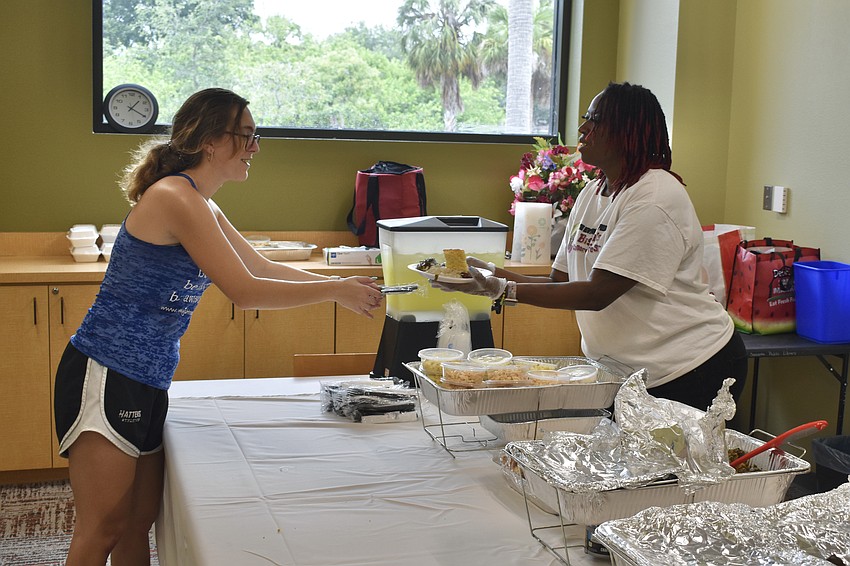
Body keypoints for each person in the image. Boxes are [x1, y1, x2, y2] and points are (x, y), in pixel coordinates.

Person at [53, 88, 384, 565]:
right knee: (101, 528)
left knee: (135, 527)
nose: (255, 147)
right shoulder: (173, 196)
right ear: (211, 140)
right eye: (246, 135)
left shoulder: (201, 200)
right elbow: (245, 292)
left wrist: (338, 282)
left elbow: (260, 266)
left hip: (147, 376)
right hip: (105, 371)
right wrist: (334, 293)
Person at [436, 81, 747, 412]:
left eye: (595, 120)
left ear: (627, 131)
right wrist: (490, 274)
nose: (583, 128)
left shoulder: (655, 198)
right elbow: (560, 283)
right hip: (630, 373)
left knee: (670, 465)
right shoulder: (593, 193)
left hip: (690, 367)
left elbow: (598, 294)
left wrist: (500, 288)